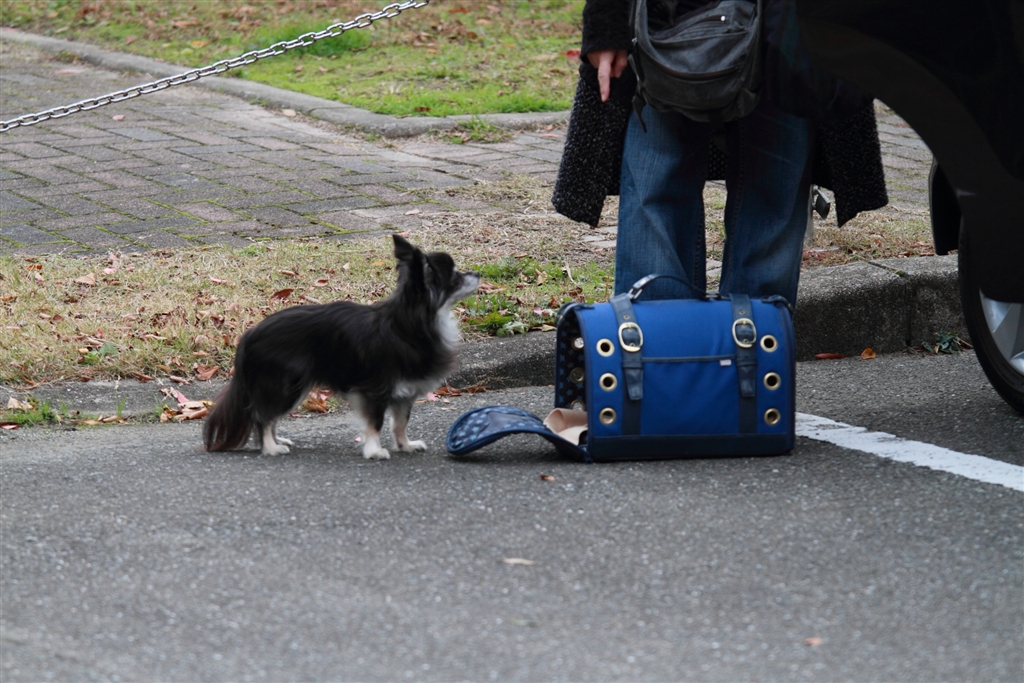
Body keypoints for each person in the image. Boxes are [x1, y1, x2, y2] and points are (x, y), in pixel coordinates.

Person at [553, 0, 888, 305]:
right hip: (666, 28)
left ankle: (753, 346)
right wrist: (606, 22)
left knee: (772, 197)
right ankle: (663, 347)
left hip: (792, 28)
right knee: (659, 194)